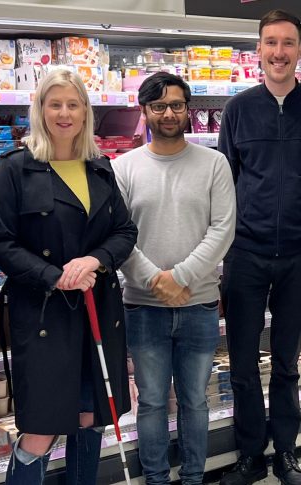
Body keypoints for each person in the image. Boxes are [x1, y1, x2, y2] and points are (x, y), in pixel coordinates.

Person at [0, 69, 137, 485]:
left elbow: (125, 232)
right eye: (55, 104)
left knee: (90, 417)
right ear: (40, 110)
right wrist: (53, 275)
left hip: (97, 309)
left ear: (86, 111)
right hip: (45, 314)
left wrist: (96, 260)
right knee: (40, 428)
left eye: (73, 104)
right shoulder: (16, 168)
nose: (64, 114)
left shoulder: (100, 167)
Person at [217, 9, 301, 485]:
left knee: (288, 360)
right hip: (245, 253)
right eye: (270, 42)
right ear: (258, 50)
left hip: (300, 253)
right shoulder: (238, 110)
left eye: (287, 43)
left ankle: (286, 453)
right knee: (243, 360)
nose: (279, 52)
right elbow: (225, 177)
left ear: (300, 50)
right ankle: (250, 454)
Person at [114, 72, 236, 485]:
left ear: (189, 109)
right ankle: (155, 479)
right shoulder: (123, 168)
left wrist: (180, 277)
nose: (169, 113)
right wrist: (156, 281)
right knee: (150, 402)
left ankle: (194, 478)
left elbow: (222, 229)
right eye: (159, 106)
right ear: (145, 111)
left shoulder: (214, 163)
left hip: (199, 303)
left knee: (194, 402)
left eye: (177, 105)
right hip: (143, 306)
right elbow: (118, 235)